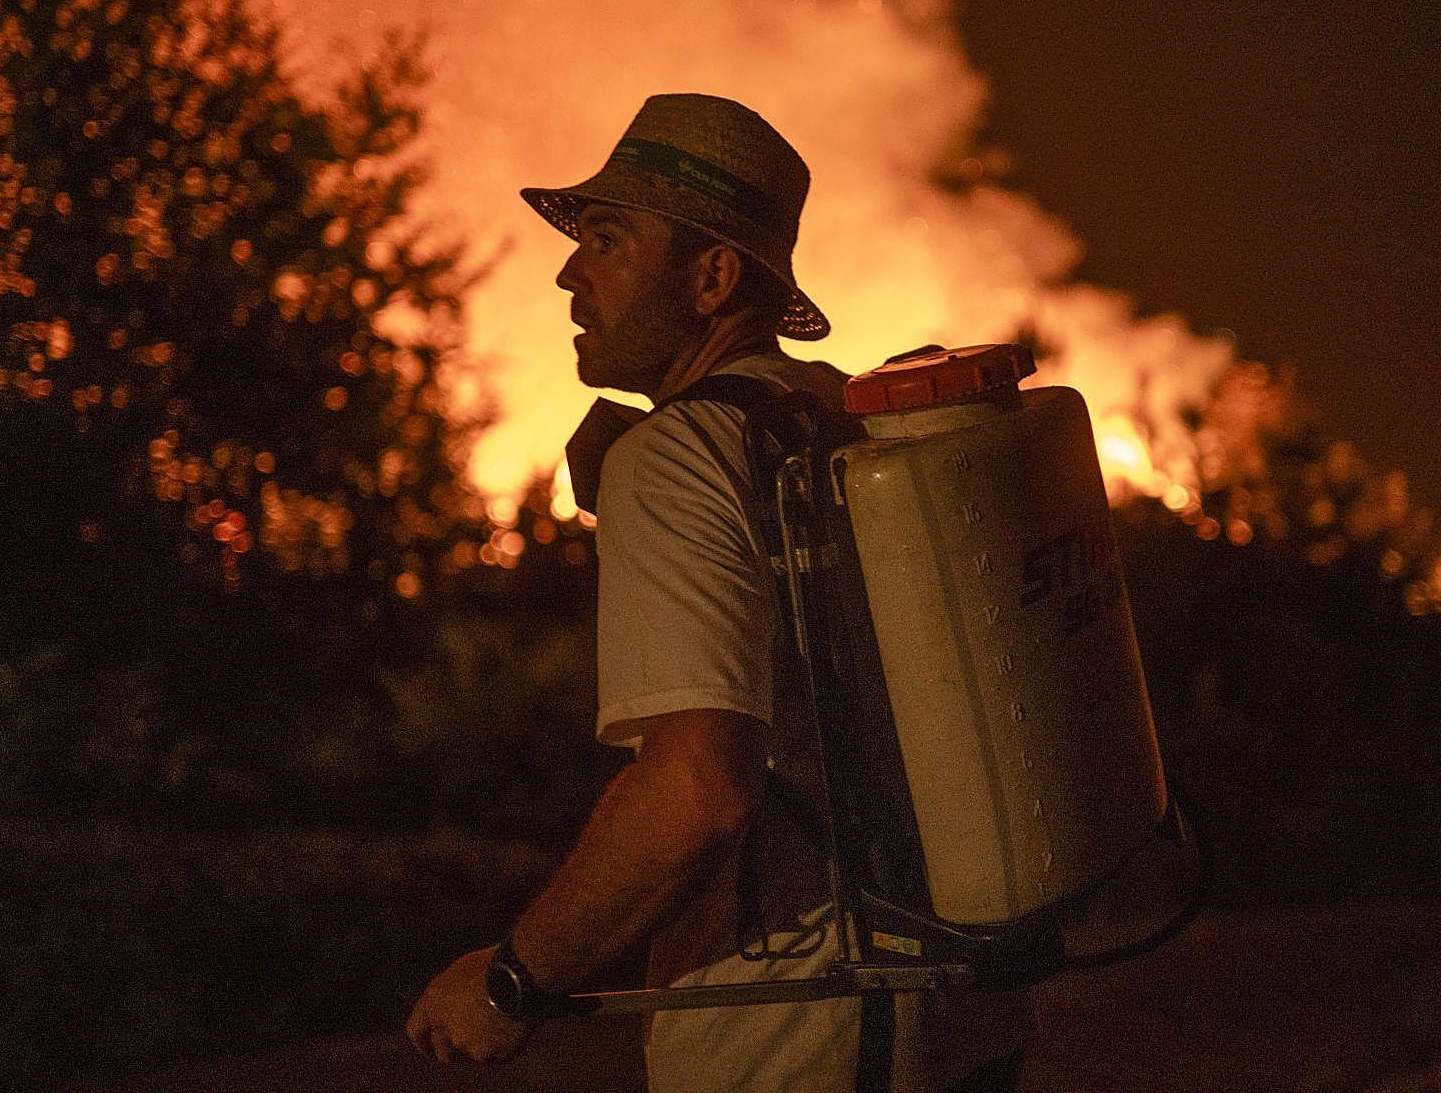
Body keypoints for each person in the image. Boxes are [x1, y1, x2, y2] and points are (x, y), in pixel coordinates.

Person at [405, 93, 1031, 1091]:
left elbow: (698, 790)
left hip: (795, 1034)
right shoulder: (837, 418)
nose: (571, 272)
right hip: (962, 1009)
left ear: (712, 275)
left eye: (607, 238)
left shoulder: (677, 455)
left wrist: (508, 982)